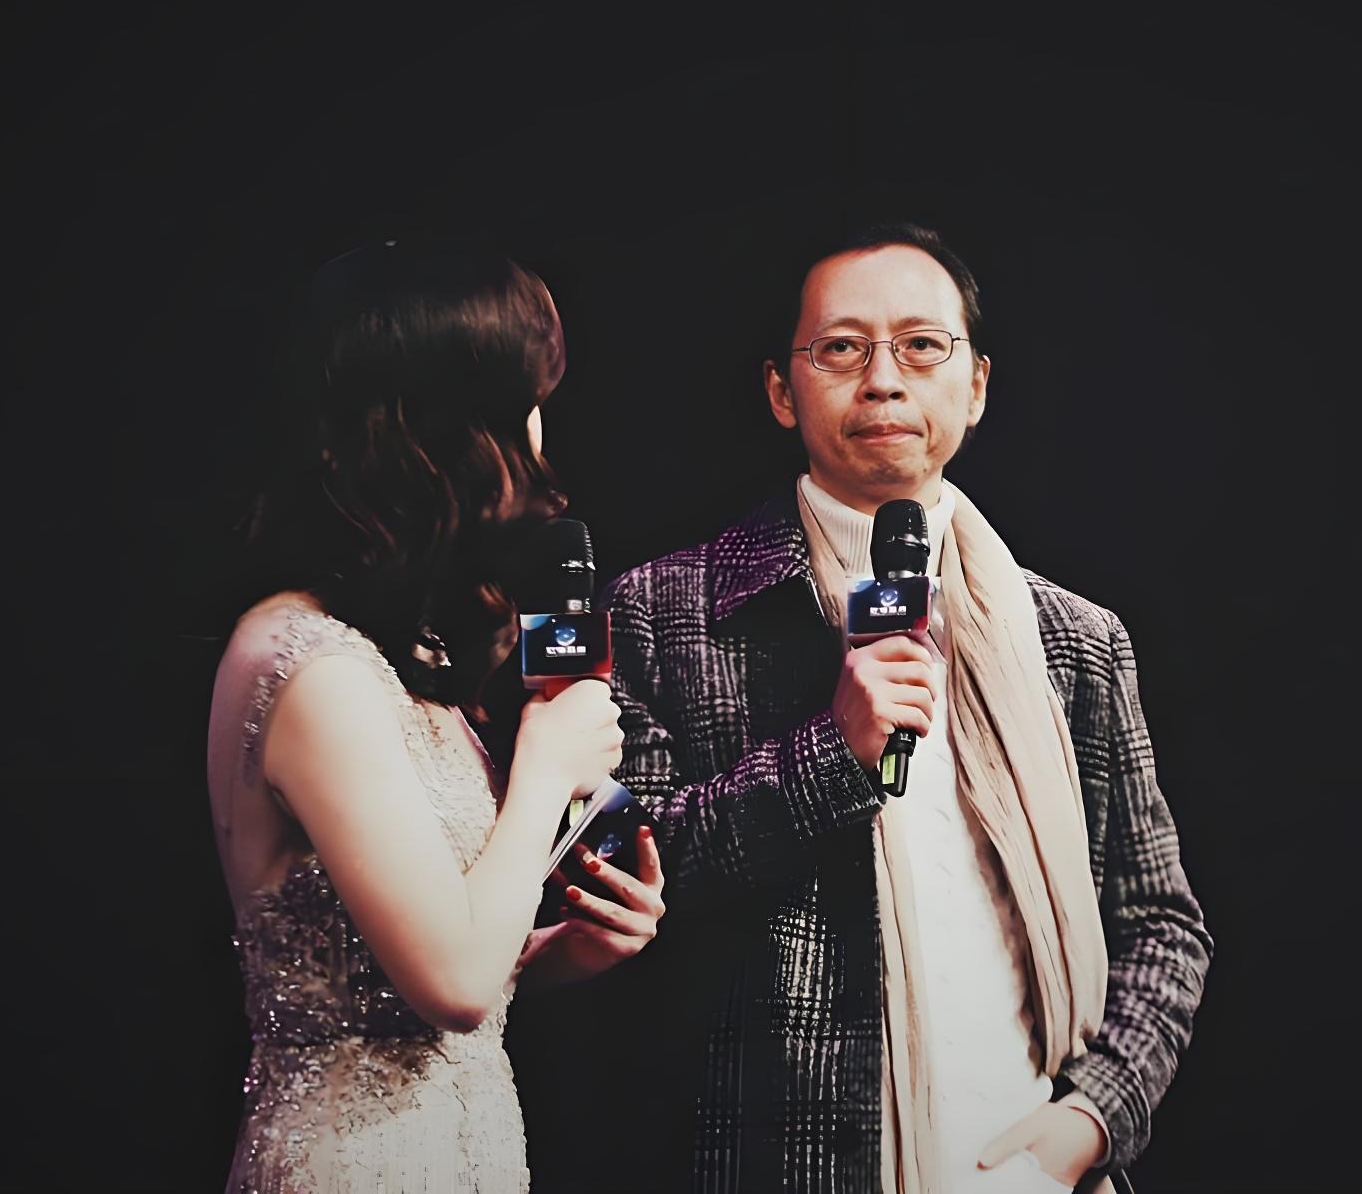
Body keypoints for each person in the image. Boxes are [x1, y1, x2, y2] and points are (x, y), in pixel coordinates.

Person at [602, 222, 1209, 1192]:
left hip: (1025, 1167)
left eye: (922, 346)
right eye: (842, 348)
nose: (883, 380)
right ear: (780, 390)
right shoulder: (664, 613)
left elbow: (1160, 926)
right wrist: (828, 754)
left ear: (975, 386)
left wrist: (1086, 1123)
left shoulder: (1074, 639)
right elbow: (618, 895)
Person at [206, 242, 665, 1192]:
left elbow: (437, 959)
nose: (542, 435)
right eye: (527, 402)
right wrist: (544, 767)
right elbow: (452, 984)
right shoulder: (311, 665)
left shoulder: (395, 656)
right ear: (453, 427)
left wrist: (560, 949)